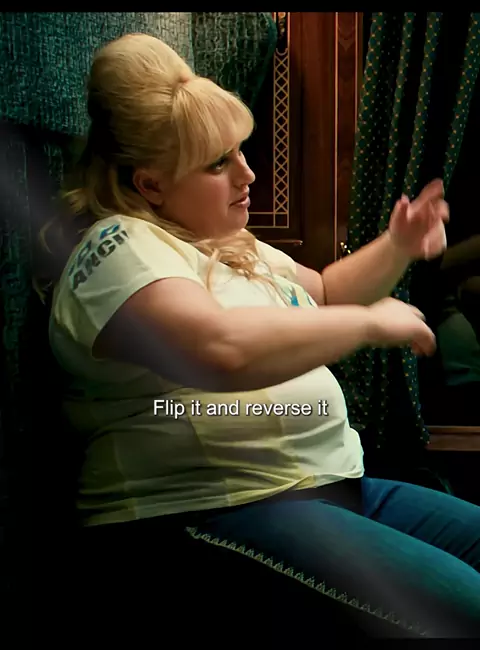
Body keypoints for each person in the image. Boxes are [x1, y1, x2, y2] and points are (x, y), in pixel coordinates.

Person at [42, 33, 480, 639]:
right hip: (208, 512)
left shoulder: (229, 243)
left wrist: (398, 245)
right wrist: (367, 324)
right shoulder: (118, 250)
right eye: (217, 163)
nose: (248, 173)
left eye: (240, 152)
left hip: (332, 487)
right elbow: (219, 350)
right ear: (150, 184)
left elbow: (325, 291)